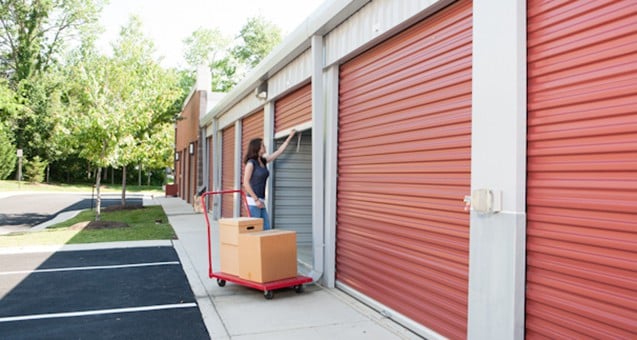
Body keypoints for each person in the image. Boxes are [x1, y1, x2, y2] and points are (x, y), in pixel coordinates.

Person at [243, 129, 296, 230]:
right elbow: (246, 183)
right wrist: (256, 199)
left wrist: (290, 137)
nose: (265, 146)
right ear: (257, 148)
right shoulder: (251, 163)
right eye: (262, 145)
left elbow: (279, 152)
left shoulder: (263, 161)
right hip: (253, 201)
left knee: (266, 228)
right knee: (256, 230)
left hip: (260, 200)